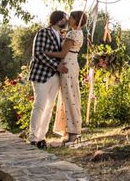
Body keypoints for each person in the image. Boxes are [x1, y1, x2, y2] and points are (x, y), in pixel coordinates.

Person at [28, 10, 69, 149]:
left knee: (49, 108)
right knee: (39, 105)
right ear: (58, 19)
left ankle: (41, 137)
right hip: (42, 74)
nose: (67, 21)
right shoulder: (43, 32)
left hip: (55, 77)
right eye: (65, 18)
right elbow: (38, 53)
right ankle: (33, 137)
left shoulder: (61, 35)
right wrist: (56, 66)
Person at [46, 10, 87, 144]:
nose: (68, 20)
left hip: (68, 67)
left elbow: (63, 53)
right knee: (70, 97)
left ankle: (74, 132)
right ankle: (70, 131)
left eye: (71, 18)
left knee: (70, 98)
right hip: (72, 65)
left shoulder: (73, 33)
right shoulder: (78, 33)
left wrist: (47, 53)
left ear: (76, 20)